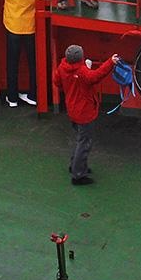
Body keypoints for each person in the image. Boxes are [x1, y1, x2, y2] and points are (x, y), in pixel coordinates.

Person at [52, 46, 118, 185]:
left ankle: (75, 166)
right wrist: (111, 62)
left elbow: (57, 81)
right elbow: (96, 76)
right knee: (84, 143)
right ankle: (78, 175)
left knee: (80, 140)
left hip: (73, 110)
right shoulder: (82, 72)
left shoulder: (62, 67)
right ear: (80, 58)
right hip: (84, 113)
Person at [0, 0, 52, 107]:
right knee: (33, 62)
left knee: (12, 63)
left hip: (13, 26)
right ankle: (34, 95)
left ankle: (12, 98)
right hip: (31, 27)